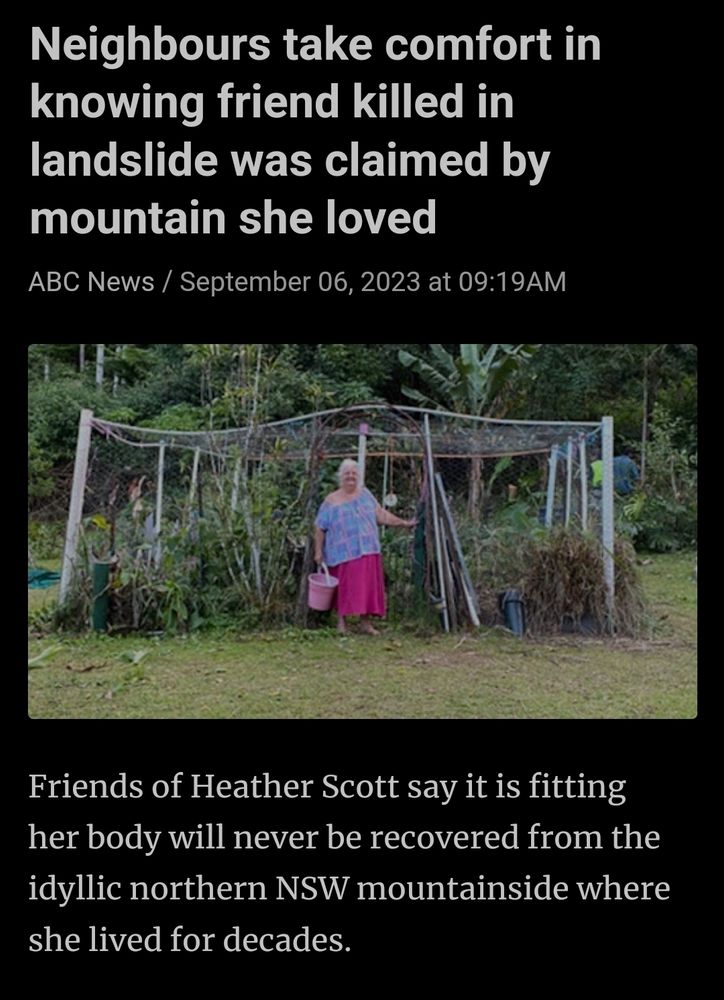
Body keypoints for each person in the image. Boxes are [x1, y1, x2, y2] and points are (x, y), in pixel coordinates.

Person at [314, 459, 416, 635]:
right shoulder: (331, 501)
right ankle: (341, 623)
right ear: (341, 477)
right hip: (342, 552)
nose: (351, 476)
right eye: (347, 473)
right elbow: (319, 526)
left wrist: (403, 523)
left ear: (359, 476)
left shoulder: (365, 495)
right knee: (344, 587)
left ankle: (365, 623)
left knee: (367, 587)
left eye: (354, 473)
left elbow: (380, 514)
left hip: (368, 549)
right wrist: (318, 551)